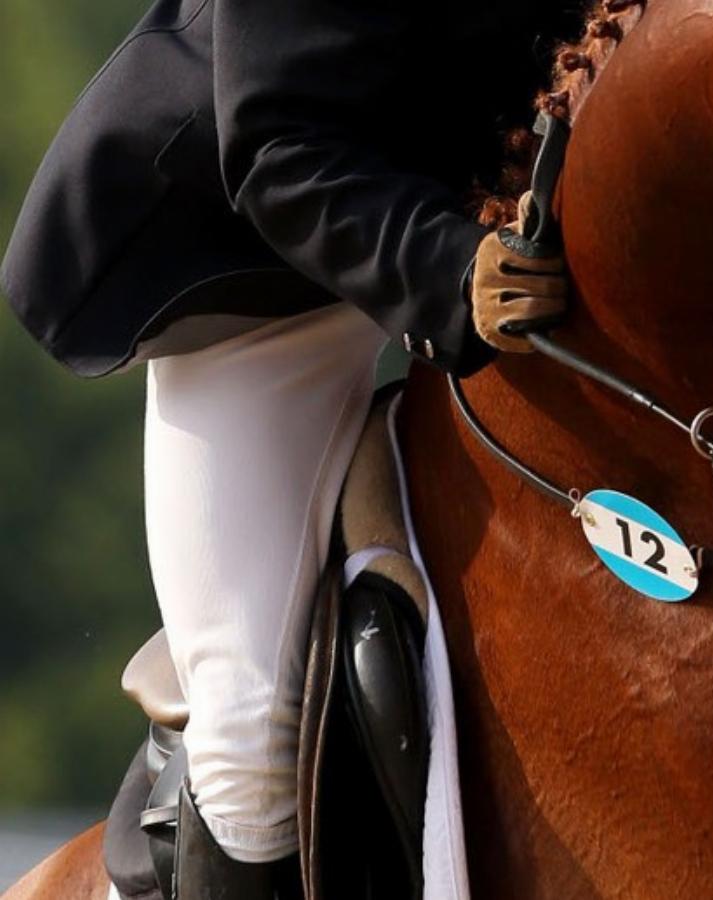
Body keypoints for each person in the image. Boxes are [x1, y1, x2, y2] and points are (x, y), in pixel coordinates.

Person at [0, 0, 581, 894]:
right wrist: (450, 272)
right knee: (251, 744)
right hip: (268, 281)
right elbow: (278, 149)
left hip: (525, 261)